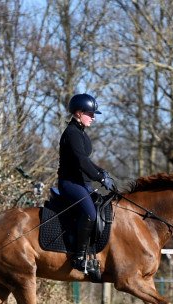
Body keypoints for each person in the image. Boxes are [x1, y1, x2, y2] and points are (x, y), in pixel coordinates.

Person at [57, 93, 116, 273]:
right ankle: (79, 257)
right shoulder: (72, 133)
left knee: (101, 208)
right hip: (70, 184)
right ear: (78, 112)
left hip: (83, 183)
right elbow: (82, 161)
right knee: (90, 213)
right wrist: (100, 178)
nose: (93, 118)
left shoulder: (81, 133)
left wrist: (101, 172)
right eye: (90, 114)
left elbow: (87, 162)